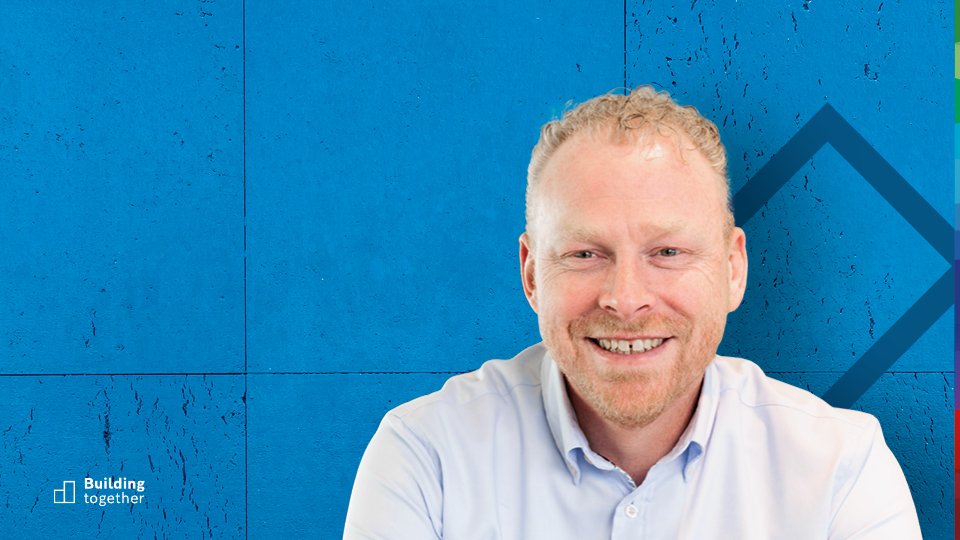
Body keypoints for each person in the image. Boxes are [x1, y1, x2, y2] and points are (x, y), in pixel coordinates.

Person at [342, 86, 921, 539]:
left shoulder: (842, 470)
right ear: (531, 275)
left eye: (667, 253)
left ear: (733, 269)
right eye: (585, 254)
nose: (625, 298)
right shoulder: (427, 459)